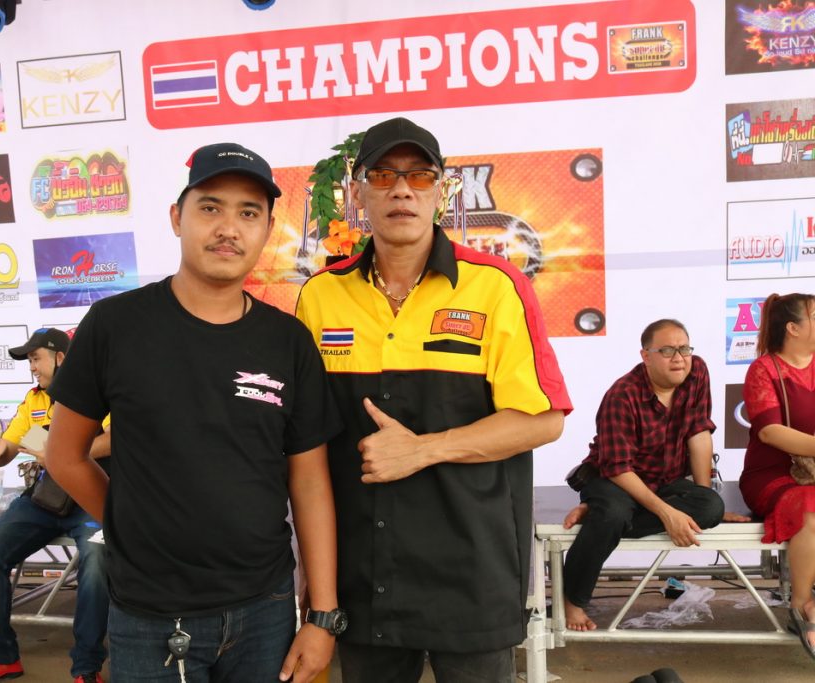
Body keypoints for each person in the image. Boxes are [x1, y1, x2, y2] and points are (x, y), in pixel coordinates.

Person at [45, 142, 342, 683]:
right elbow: (64, 456)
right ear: (177, 218)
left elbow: (310, 481)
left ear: (267, 230)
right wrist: (130, 526)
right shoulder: (114, 326)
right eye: (210, 208)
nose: (229, 228)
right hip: (149, 615)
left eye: (248, 213)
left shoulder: (288, 341)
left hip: (266, 608)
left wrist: (322, 615)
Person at [295, 117, 572, 683]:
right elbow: (308, 447)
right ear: (357, 194)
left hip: (471, 574)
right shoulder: (321, 296)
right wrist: (317, 589)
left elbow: (543, 421)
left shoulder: (496, 285)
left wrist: (423, 449)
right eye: (383, 175)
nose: (402, 189)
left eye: (420, 176)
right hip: (363, 578)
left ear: (441, 191)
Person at [0, 328, 111, 683]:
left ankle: (86, 667)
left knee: (97, 558)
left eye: (36, 358)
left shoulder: (97, 392)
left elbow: (115, 439)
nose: (32, 367)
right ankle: (0, 658)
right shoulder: (34, 399)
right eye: (29, 360)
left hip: (92, 498)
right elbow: (10, 446)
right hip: (46, 497)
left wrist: (64, 452)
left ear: (61, 358)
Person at [561, 319, 728, 631]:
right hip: (616, 479)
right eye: (667, 351)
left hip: (665, 480)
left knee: (710, 507)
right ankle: (573, 600)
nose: (679, 358)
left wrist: (702, 493)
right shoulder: (622, 395)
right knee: (612, 514)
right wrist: (666, 513)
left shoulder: (697, 372)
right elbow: (617, 468)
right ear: (646, 356)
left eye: (684, 349)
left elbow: (699, 433)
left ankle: (597, 514)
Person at [739, 293, 815, 659]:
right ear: (793, 328)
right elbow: (769, 432)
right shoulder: (763, 369)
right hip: (771, 474)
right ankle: (802, 605)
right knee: (809, 504)